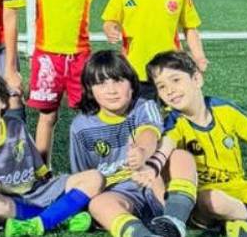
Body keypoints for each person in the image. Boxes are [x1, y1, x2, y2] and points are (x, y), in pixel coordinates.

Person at [21, 0, 195, 162]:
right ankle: (42, 168)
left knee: (92, 112)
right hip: (46, 59)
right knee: (47, 116)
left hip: (80, 56)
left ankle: (108, 162)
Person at [150, 51, 247, 237]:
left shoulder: (225, 110)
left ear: (197, 79)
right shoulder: (173, 123)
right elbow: (162, 151)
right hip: (205, 199)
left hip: (244, 190)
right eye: (161, 86)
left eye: (175, 80)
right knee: (212, 200)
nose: (169, 90)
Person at [0, 72, 100, 237]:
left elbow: (37, 165)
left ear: (3, 102)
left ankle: (40, 222)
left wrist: (48, 180)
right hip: (5, 198)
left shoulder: (16, 125)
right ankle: (59, 217)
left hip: (37, 190)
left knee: (95, 178)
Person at [71, 50, 197, 237]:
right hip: (120, 194)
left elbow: (149, 132)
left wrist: (141, 152)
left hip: (155, 181)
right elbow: (83, 174)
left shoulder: (144, 106)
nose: (111, 90)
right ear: (90, 89)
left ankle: (173, 220)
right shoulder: (80, 126)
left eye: (118, 81)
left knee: (181, 157)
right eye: (101, 83)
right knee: (99, 204)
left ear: (132, 85)